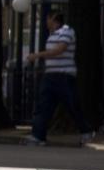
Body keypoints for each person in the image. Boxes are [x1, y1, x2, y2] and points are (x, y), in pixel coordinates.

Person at [26, 9, 85, 145]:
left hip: (64, 75)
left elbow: (60, 49)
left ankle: (86, 130)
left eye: (47, 19)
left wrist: (37, 55)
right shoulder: (52, 35)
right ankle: (38, 136)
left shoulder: (66, 31)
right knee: (44, 105)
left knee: (72, 105)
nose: (46, 22)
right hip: (51, 75)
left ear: (53, 19)